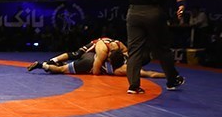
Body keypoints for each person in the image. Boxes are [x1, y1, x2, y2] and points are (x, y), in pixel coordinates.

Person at [27, 37, 165, 79]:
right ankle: (47, 63)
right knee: (72, 58)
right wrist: (167, 75)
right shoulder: (123, 68)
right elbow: (150, 74)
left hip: (91, 58)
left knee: (71, 62)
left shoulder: (122, 49)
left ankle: (46, 65)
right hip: (93, 53)